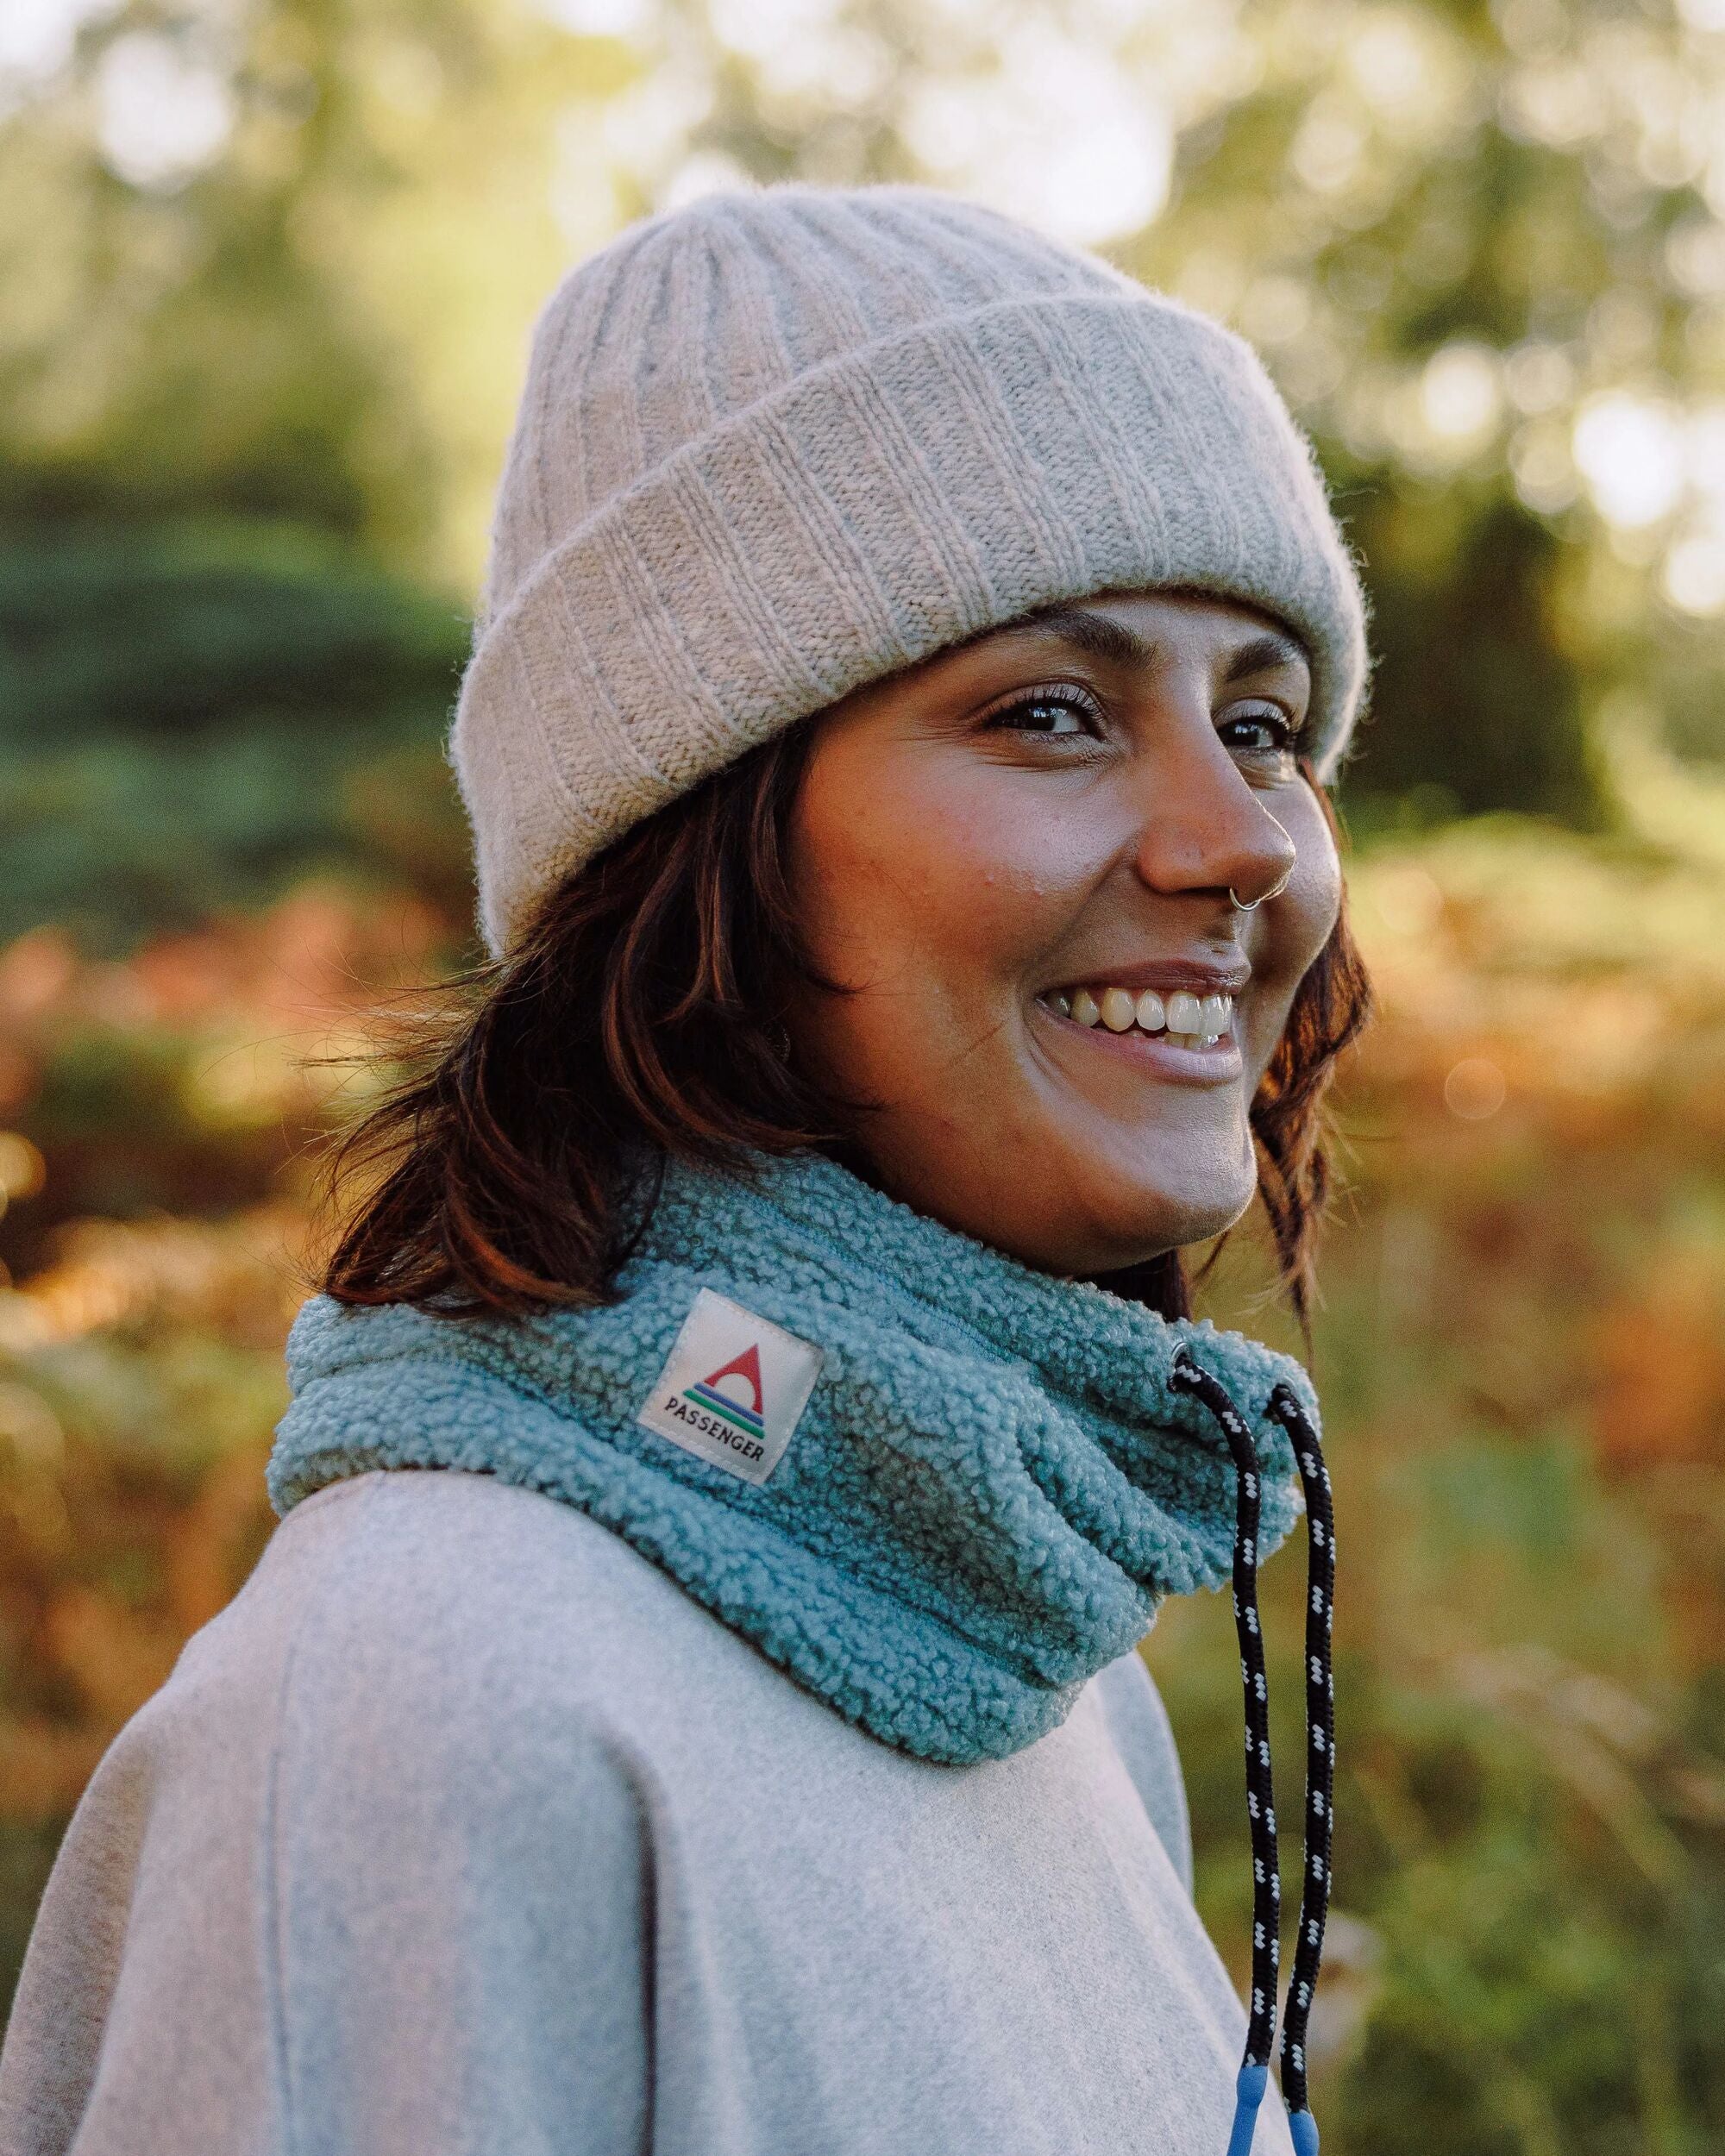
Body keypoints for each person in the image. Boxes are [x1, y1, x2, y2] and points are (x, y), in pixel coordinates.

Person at [0, 184, 1371, 2156]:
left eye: (1261, 720)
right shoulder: (434, 1710)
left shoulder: (1023, 1636)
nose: (1238, 838)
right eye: (1049, 713)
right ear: (693, 848)